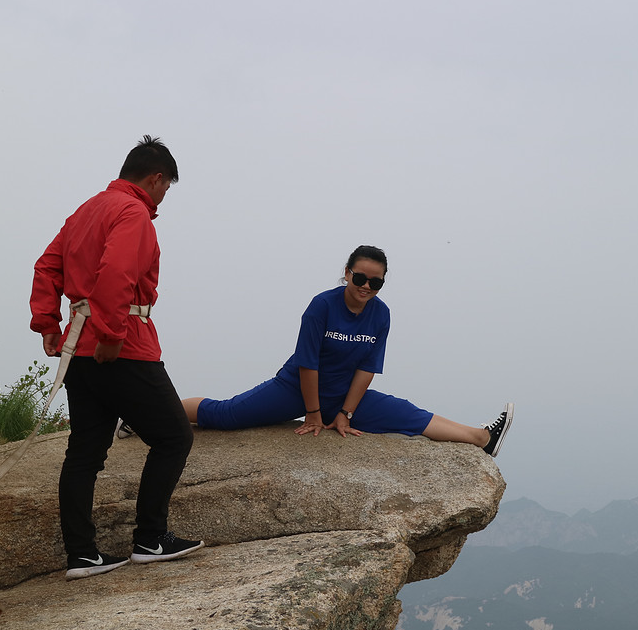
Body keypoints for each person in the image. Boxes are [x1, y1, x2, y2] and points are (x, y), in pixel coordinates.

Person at [30, 135, 201, 580]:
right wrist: (110, 332)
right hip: (122, 345)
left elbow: (46, 266)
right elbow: (118, 272)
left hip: (79, 347)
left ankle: (82, 555)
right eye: (167, 187)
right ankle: (150, 539)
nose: (164, 197)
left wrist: (49, 324)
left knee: (85, 451)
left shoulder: (85, 210)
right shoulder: (133, 212)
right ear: (156, 177)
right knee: (174, 437)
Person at [183, 245, 514, 456]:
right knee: (226, 415)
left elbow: (367, 368)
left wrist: (346, 413)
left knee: (409, 415)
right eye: (360, 277)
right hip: (296, 388)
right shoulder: (322, 306)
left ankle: (482, 438)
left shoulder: (381, 313)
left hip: (344, 397)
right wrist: (313, 414)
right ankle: (150, 415)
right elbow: (307, 364)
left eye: (376, 282)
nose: (366, 287)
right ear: (347, 273)